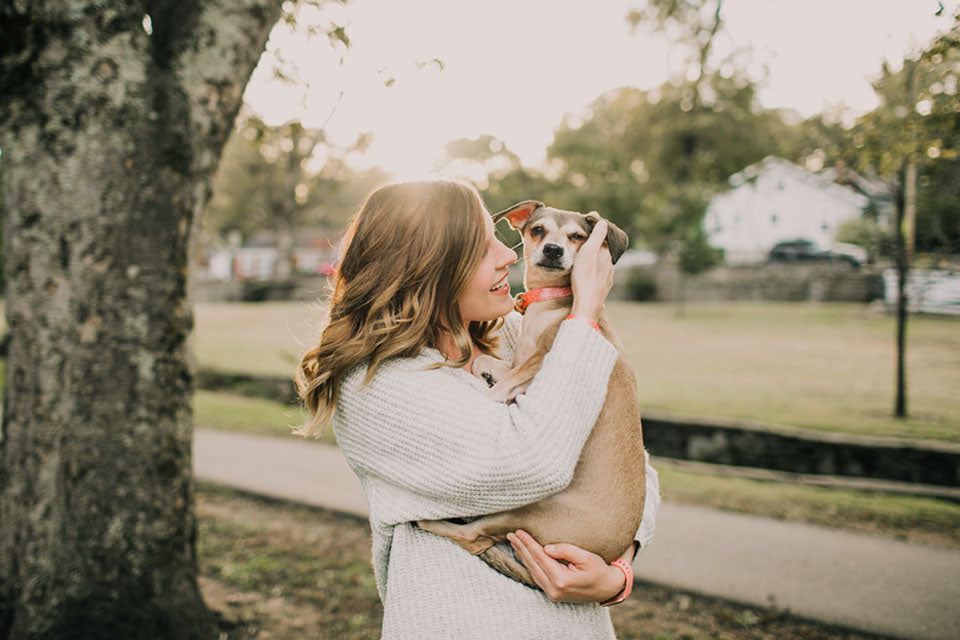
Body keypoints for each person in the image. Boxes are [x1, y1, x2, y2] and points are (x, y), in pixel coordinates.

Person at [295, 179, 660, 639]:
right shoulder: (377, 385)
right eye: (482, 246)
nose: (509, 253)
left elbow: (630, 461)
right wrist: (585, 311)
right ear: (428, 266)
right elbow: (533, 462)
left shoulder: (512, 334)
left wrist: (617, 572)